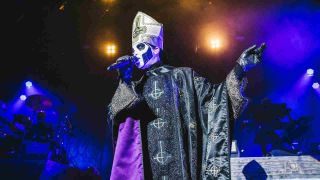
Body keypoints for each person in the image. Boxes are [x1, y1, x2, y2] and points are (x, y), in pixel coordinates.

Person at [106, 11, 265, 180]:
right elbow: (118, 120)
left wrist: (240, 68)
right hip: (148, 170)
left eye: (140, 47)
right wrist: (125, 79)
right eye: (133, 49)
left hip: (181, 168)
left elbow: (216, 101)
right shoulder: (135, 89)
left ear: (155, 49)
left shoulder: (184, 77)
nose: (135, 53)